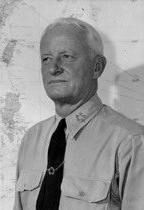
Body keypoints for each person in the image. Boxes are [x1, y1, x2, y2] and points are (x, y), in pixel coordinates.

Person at [13, 17, 144, 210]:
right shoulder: (31, 139)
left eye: (67, 56)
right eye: (46, 59)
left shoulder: (130, 142)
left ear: (97, 67)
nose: (54, 68)